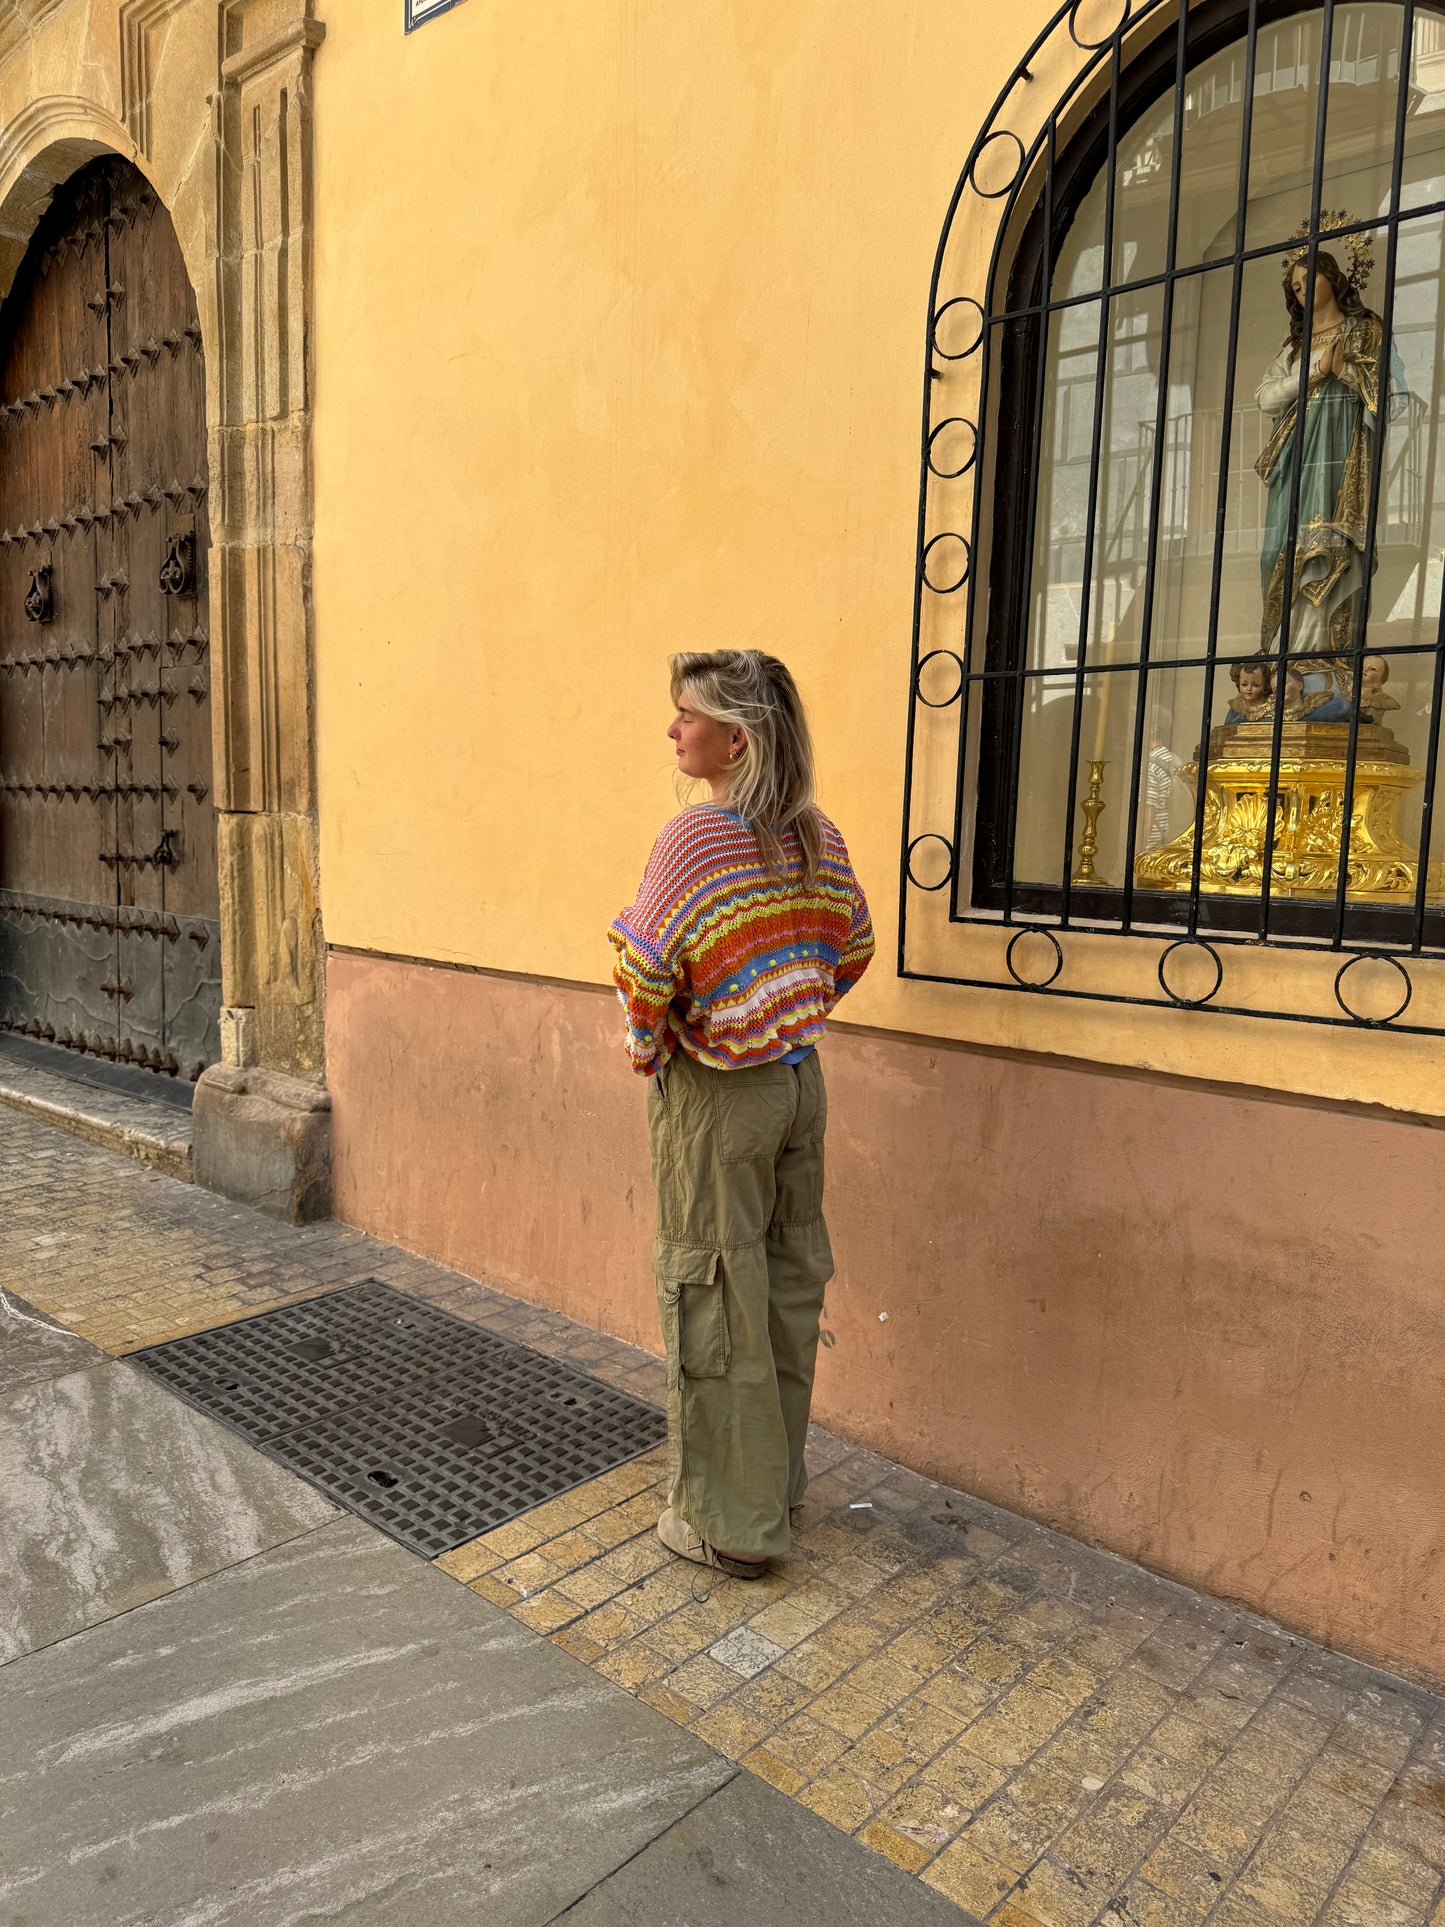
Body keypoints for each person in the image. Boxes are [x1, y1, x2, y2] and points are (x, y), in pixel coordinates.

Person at [608, 650, 874, 1579]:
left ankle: (731, 1525)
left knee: (714, 1293)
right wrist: (788, 1009)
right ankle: (776, 1486)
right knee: (785, 1290)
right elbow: (855, 943)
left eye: (686, 715)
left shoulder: (696, 839)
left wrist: (654, 1049)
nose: (672, 730)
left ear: (736, 737)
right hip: (800, 1084)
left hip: (721, 1094)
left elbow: (644, 971)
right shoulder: (819, 836)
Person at [1255, 223, 1407, 715]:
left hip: (1343, 460)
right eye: (1294, 288)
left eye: (1307, 280)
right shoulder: (1295, 346)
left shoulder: (1367, 330)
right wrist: (1314, 370)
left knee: (1330, 546)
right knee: (1278, 551)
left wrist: (1344, 371)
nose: (1301, 292)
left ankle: (1318, 658)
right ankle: (1286, 657)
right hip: (1296, 460)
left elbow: (1395, 398)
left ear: (1332, 276)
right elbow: (1263, 398)